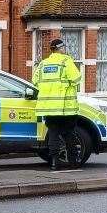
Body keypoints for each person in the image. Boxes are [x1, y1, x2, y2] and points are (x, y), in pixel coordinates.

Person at [34, 36, 83, 169]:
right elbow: (77, 78)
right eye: (63, 48)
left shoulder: (43, 64)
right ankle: (73, 162)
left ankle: (55, 162)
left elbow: (35, 81)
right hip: (66, 108)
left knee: (53, 135)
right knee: (69, 134)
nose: (64, 50)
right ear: (60, 49)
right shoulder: (66, 61)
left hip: (48, 108)